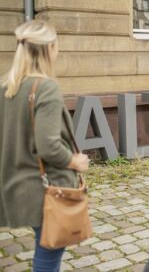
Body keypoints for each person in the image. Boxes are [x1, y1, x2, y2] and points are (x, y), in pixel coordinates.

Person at [0, 20, 89, 272]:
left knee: (45, 251)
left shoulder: (6, 88)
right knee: (48, 258)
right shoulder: (45, 88)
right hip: (46, 189)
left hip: (15, 185)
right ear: (49, 48)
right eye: (57, 44)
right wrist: (75, 162)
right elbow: (48, 146)